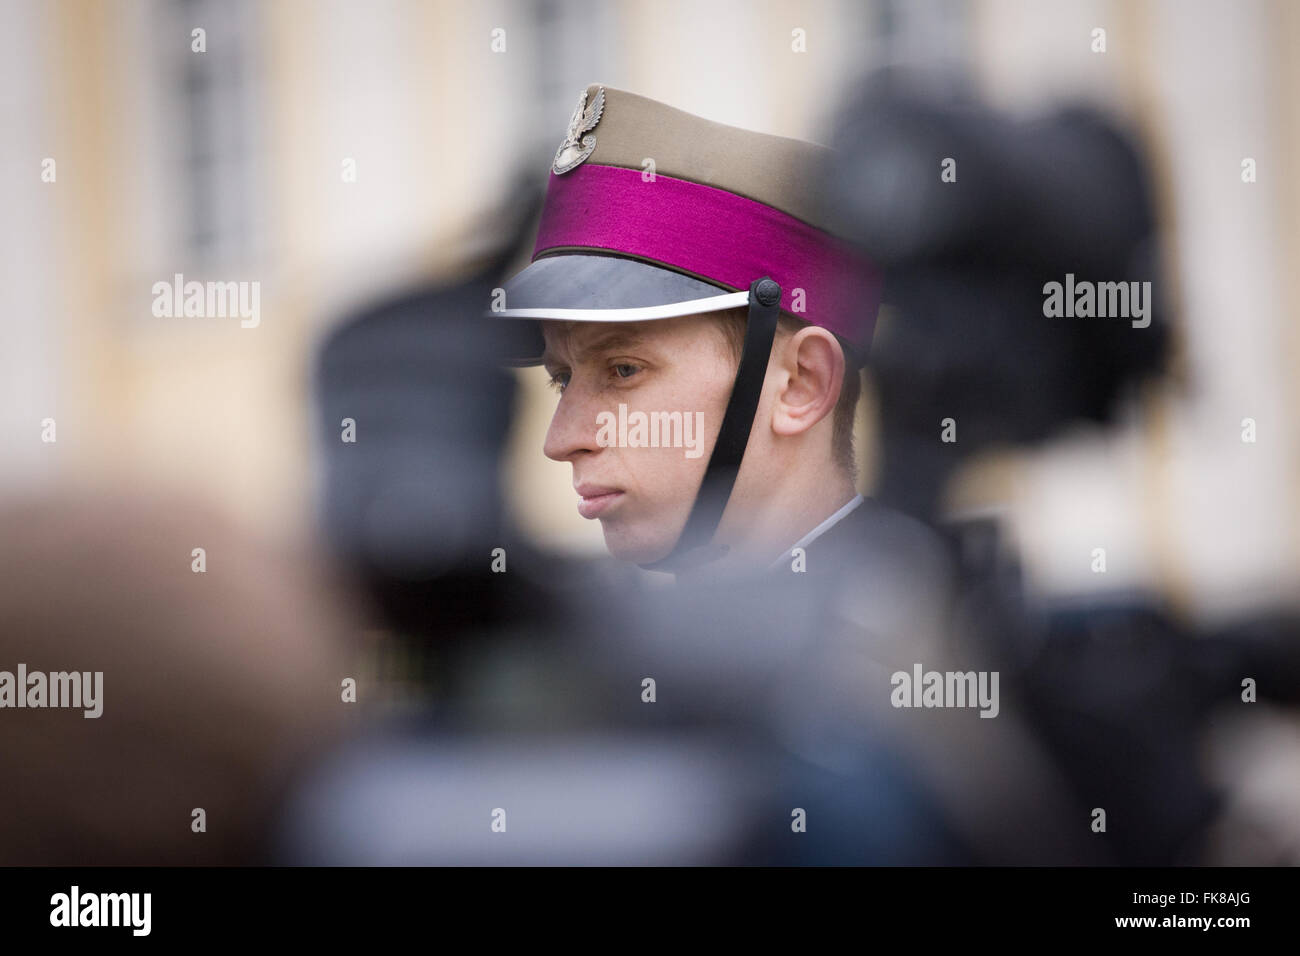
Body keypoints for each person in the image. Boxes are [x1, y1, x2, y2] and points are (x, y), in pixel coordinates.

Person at [489, 84, 882, 577]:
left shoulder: (920, 644)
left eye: (624, 369)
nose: (561, 440)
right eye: (562, 379)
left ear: (801, 383)